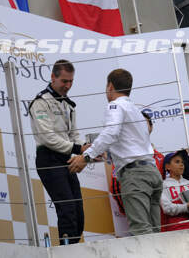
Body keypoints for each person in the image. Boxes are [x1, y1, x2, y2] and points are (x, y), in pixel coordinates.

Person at [69, 68, 163, 236]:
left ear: (110, 86)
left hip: (135, 175)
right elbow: (125, 140)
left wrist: (86, 157)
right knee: (155, 232)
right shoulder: (136, 110)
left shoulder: (115, 105)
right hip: (152, 172)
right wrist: (103, 151)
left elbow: (111, 133)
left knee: (142, 232)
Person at [29, 59, 85, 244]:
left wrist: (86, 151)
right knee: (67, 210)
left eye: (71, 81)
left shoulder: (68, 104)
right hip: (48, 159)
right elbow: (47, 137)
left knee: (78, 213)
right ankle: (67, 252)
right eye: (64, 81)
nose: (68, 86)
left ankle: (73, 249)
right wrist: (77, 148)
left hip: (66, 159)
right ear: (53, 77)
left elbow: (74, 134)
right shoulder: (40, 102)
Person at [110, 111, 164, 216]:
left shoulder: (161, 157)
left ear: (151, 127)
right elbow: (115, 187)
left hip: (161, 216)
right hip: (138, 212)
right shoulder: (124, 157)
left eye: (143, 123)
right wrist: (130, 210)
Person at [161, 150, 189, 232]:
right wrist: (187, 207)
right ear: (167, 166)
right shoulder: (163, 185)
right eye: (177, 162)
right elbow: (167, 208)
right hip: (175, 231)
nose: (181, 164)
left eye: (182, 162)